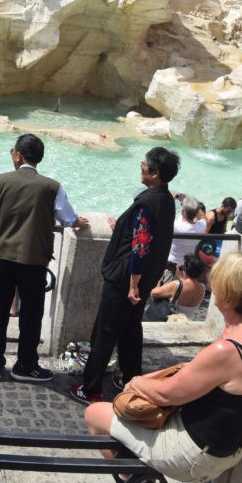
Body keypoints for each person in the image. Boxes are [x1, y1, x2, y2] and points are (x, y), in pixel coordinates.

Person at [85, 251, 242, 483]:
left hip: (197, 456)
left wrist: (136, 382)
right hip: (232, 448)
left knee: (94, 416)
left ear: (225, 296)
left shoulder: (227, 351)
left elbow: (165, 395)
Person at [72, 147, 179, 405]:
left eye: (144, 165)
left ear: (153, 173)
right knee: (131, 329)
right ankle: (131, 378)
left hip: (126, 280)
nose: (141, 167)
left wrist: (132, 284)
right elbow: (151, 238)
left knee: (105, 331)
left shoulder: (146, 204)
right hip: (146, 278)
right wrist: (120, 225)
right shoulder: (165, 200)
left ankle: (91, 389)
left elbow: (141, 246)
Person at [0, 134, 89, 382]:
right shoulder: (52, 186)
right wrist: (78, 222)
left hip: (2, 255)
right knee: (31, 314)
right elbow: (68, 219)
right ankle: (26, 365)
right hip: (34, 259)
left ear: (18, 155)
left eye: (12, 151)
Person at [144, 253, 207, 322]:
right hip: (185, 322)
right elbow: (189, 282)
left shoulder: (176, 285)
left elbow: (153, 293)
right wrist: (180, 276)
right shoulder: (202, 288)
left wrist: (159, 280)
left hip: (171, 321)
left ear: (185, 269)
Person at [165, 196, 205, 273]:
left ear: (183, 211)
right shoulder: (201, 227)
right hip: (188, 265)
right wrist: (193, 204)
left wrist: (170, 201)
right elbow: (204, 217)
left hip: (172, 264)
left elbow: (165, 215)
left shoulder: (176, 226)